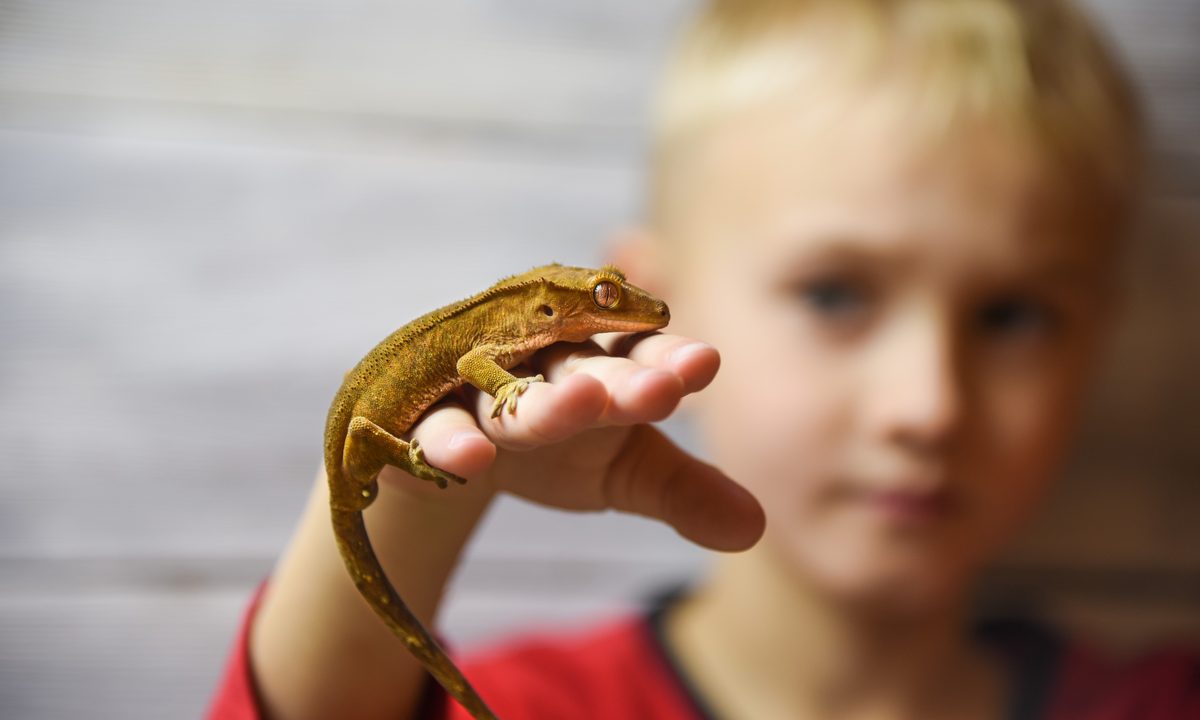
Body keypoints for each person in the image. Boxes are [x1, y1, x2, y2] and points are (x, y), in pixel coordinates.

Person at [209, 0, 1199, 718]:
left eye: (1014, 314)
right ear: (647, 311)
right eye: (835, 293)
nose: (926, 407)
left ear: (1100, 338)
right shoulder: (530, 706)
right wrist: (425, 501)